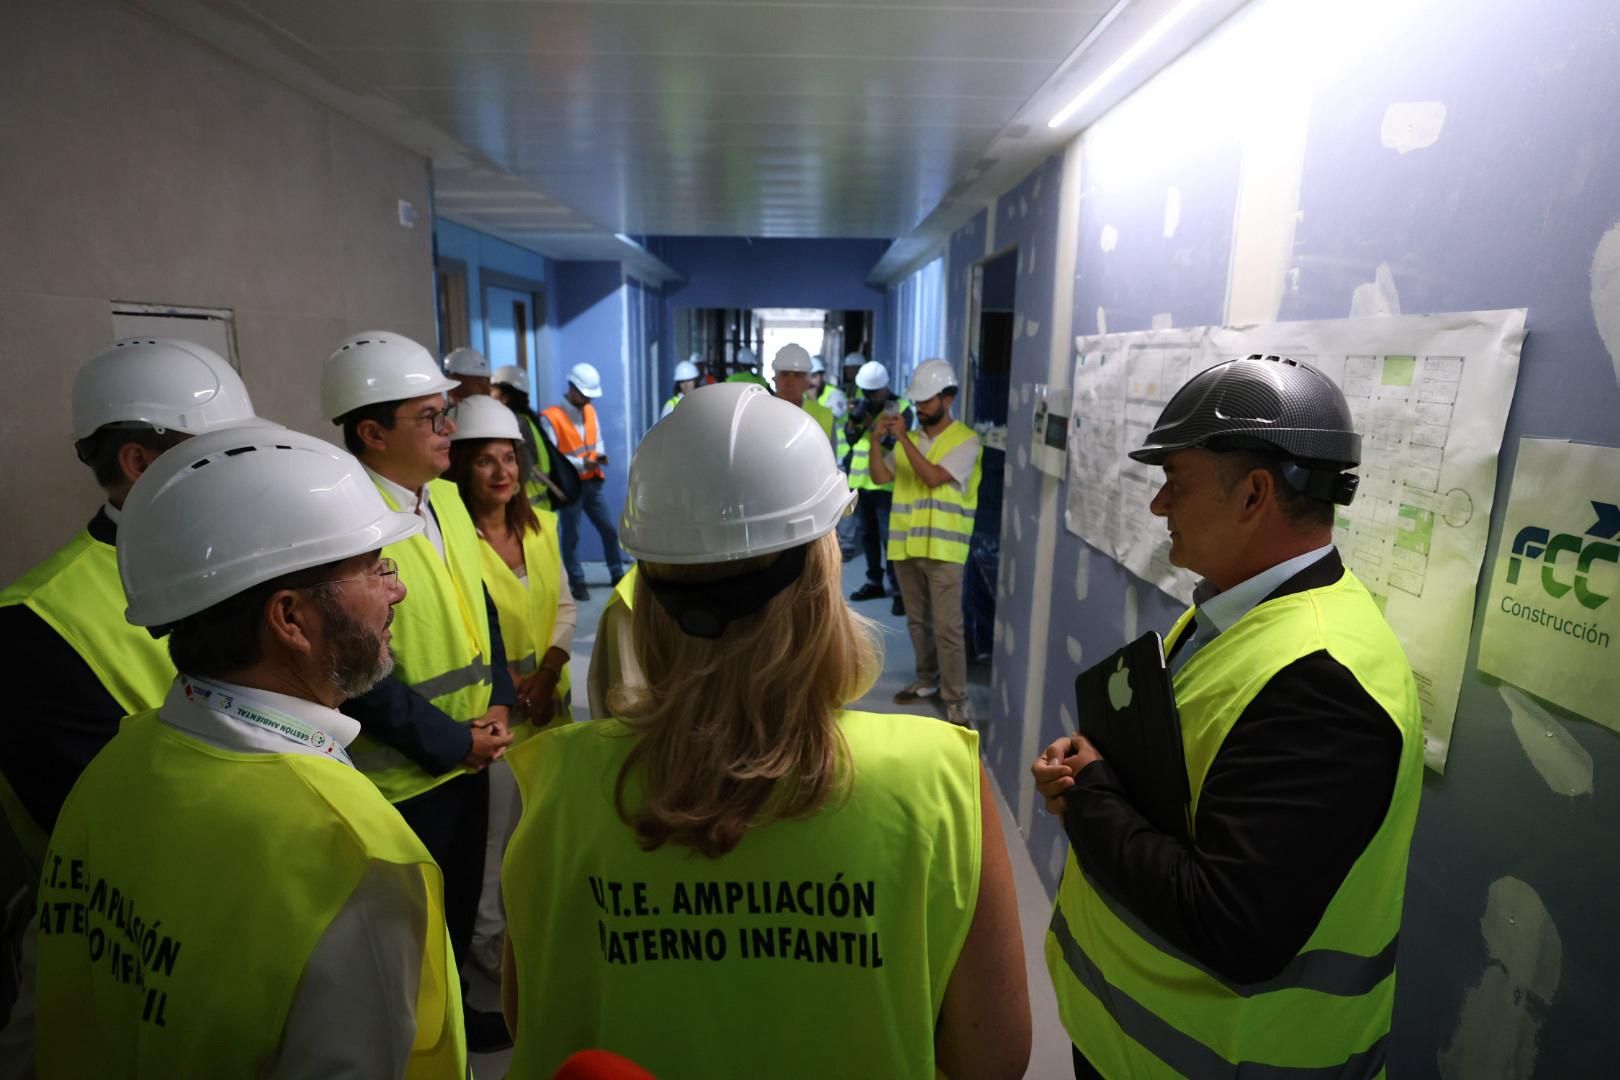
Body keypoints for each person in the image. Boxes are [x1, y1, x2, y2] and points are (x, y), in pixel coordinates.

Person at [498, 383, 1030, 1079]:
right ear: (819, 574)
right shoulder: (938, 776)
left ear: (650, 589)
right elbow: (991, 1059)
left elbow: (531, 1013)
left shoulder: (556, 781)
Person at [1031, 354, 1424, 1079]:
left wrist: (1091, 798)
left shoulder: (1326, 682)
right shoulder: (1231, 616)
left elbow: (1232, 923)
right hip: (1130, 1041)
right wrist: (1097, 774)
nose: (1157, 506)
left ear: (1253, 494)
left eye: (1173, 484)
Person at [34, 424, 466, 1078]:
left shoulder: (119, 763)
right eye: (376, 568)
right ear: (290, 619)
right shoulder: (351, 854)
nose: (396, 589)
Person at [0, 339, 261, 1070]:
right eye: (220, 451)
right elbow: (94, 817)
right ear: (139, 464)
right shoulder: (34, 621)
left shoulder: (246, 561)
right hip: (121, 932)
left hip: (254, 903)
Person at [321, 330, 516, 1052]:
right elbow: (358, 668)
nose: (449, 432)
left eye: (447, 414)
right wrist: (450, 741)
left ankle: (456, 1026)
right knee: (406, 936)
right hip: (402, 774)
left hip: (470, 750)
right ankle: (420, 1052)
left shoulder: (445, 501)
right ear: (372, 433)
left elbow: (482, 606)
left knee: (459, 911)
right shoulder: (345, 523)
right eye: (431, 419)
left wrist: (497, 697)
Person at [446, 395, 576, 981]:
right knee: (497, 850)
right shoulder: (450, 545)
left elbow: (567, 607)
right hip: (498, 719)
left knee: (549, 830)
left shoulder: (542, 527)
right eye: (485, 461)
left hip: (551, 710)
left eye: (510, 458)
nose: (503, 473)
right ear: (460, 468)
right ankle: (490, 971)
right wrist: (514, 681)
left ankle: (544, 942)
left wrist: (547, 673)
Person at [870, 359, 981, 725]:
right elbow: (880, 474)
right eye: (916, 401)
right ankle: (927, 679)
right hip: (906, 547)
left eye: (926, 401)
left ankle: (956, 698)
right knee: (918, 623)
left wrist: (901, 437)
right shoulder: (911, 440)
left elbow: (933, 477)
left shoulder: (966, 440)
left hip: (944, 551)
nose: (918, 408)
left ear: (948, 399)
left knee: (948, 628)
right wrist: (875, 441)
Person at [542, 362, 627, 601]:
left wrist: (597, 457)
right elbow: (553, 457)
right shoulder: (551, 417)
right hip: (570, 487)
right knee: (571, 537)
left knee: (610, 530)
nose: (589, 399)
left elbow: (597, 439)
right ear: (572, 388)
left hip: (593, 483)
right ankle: (576, 580)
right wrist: (582, 464)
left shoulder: (590, 410)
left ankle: (616, 572)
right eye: (585, 394)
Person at [845, 360, 911, 605]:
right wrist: (856, 420)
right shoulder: (863, 406)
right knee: (868, 535)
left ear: (885, 387)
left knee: (890, 538)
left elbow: (893, 444)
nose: (870, 396)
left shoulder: (900, 408)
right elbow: (850, 439)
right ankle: (874, 582)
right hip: (861, 481)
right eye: (866, 392)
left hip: (887, 485)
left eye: (874, 392)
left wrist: (872, 425)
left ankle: (898, 590)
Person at [493, 364, 568, 511]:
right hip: (539, 508)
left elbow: (523, 470)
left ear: (505, 397)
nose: (490, 396)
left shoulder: (517, 424)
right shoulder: (528, 420)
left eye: (493, 390)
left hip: (528, 510)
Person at [770, 343, 835, 442]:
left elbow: (831, 456)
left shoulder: (823, 416)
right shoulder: (759, 414)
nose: (790, 382)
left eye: (797, 375)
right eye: (784, 374)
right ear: (774, 379)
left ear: (807, 382)